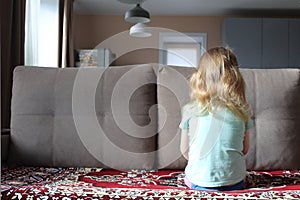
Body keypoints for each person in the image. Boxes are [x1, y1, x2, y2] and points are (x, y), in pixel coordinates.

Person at [179, 47, 253, 191]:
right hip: (235, 182)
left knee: (188, 176)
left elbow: (184, 150)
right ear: (235, 78)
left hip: (198, 182)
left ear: (200, 77)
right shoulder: (243, 111)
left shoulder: (190, 110)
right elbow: (244, 149)